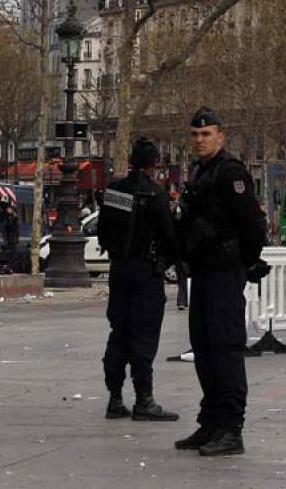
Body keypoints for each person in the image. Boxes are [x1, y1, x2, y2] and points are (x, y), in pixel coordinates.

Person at [173, 108, 267, 458]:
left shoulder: (230, 173)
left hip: (225, 273)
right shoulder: (202, 172)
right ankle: (211, 422)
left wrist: (242, 263)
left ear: (221, 136)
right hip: (205, 272)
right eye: (195, 135)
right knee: (204, 348)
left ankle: (231, 429)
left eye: (206, 134)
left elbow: (253, 225)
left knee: (225, 350)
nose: (199, 140)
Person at [98, 137, 180, 422]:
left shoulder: (115, 191)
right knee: (144, 335)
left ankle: (115, 397)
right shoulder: (155, 195)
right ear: (155, 162)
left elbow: (104, 230)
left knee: (119, 332)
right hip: (146, 271)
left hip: (119, 269)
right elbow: (169, 236)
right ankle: (144, 398)